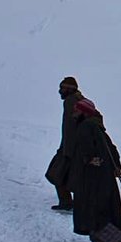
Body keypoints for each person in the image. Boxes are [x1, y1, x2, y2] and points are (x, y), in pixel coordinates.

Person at [66, 95, 121, 242]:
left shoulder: (85, 126)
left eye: (76, 110)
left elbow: (86, 145)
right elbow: (112, 148)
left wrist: (90, 158)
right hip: (103, 174)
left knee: (91, 208)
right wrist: (116, 166)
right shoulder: (97, 127)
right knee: (101, 208)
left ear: (83, 112)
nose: (74, 113)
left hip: (91, 176)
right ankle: (111, 240)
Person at [44, 77, 83, 211]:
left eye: (62, 88)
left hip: (69, 148)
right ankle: (68, 202)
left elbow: (70, 128)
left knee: (55, 173)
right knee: (63, 175)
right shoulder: (77, 100)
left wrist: (67, 151)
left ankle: (67, 203)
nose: (60, 91)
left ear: (69, 89)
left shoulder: (71, 101)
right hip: (71, 147)